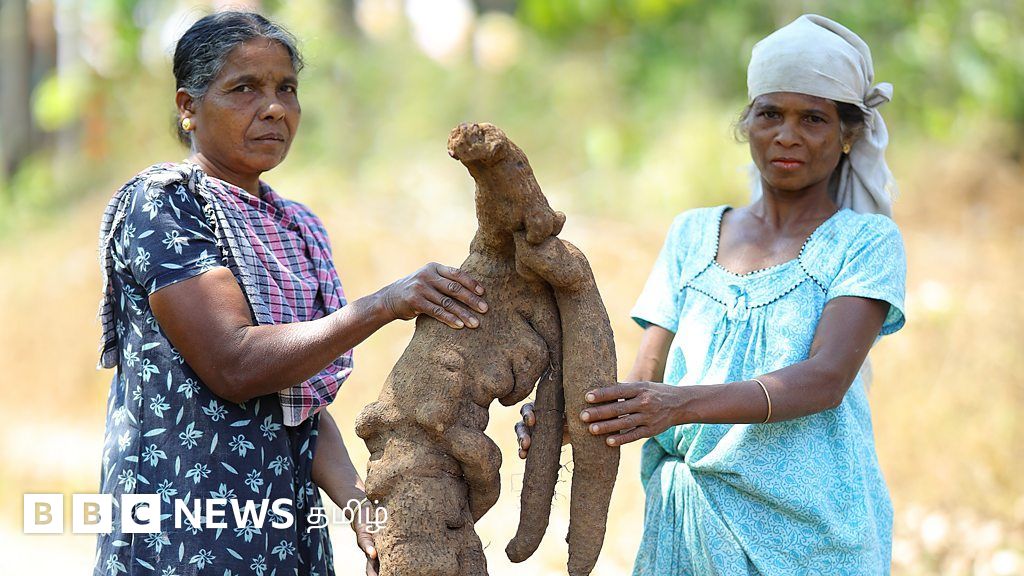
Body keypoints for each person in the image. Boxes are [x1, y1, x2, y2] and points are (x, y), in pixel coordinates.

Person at [94, 11, 489, 576]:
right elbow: (237, 364)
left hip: (283, 526)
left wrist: (360, 511)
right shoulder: (164, 206)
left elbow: (297, 401)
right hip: (183, 526)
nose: (274, 107)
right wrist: (384, 305)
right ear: (188, 108)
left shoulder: (295, 225)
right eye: (244, 88)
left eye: (287, 89)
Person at [516, 14, 906, 574]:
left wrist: (678, 406)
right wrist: (572, 416)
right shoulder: (693, 234)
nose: (787, 135)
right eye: (770, 113)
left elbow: (825, 380)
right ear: (747, 123)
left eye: (813, 119)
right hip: (688, 530)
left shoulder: (864, 241)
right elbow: (646, 375)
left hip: (811, 537)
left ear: (847, 135)